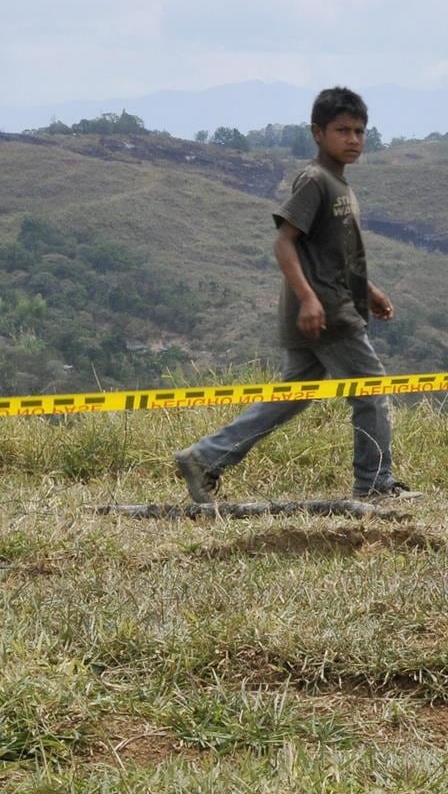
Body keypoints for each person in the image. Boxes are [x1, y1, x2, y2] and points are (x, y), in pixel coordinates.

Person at [173, 86, 417, 504]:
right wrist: (308, 298)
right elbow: (284, 243)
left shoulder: (339, 184)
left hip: (328, 308)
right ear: (317, 132)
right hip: (327, 314)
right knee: (372, 392)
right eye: (343, 130)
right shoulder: (315, 180)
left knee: (290, 398)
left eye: (360, 131)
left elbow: (333, 254)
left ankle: (205, 458)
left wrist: (370, 289)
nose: (354, 139)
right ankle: (375, 484)